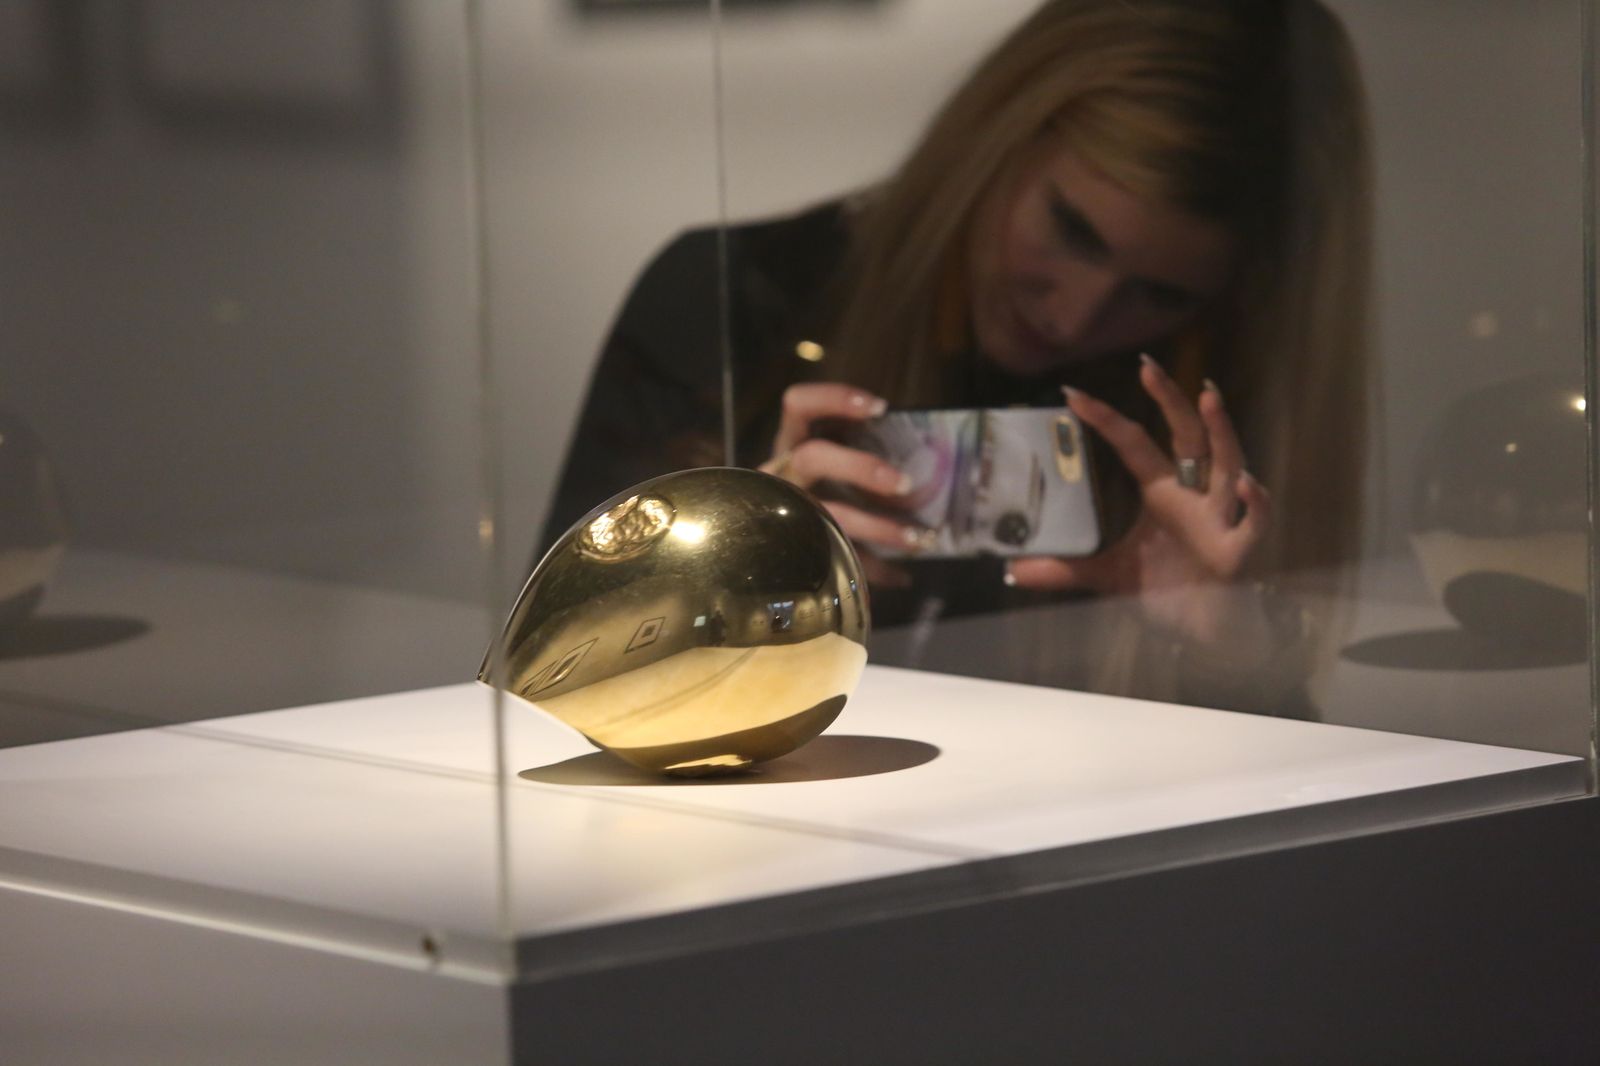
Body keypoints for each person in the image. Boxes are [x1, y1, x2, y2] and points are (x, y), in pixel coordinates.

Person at [541, 0, 1372, 716]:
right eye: (1071, 229)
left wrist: (1230, 650)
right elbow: (548, 683)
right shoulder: (733, 296)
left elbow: (1260, 845)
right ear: (997, 136)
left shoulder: (1204, 408)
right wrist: (737, 573)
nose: (1077, 315)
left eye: (1160, 294)